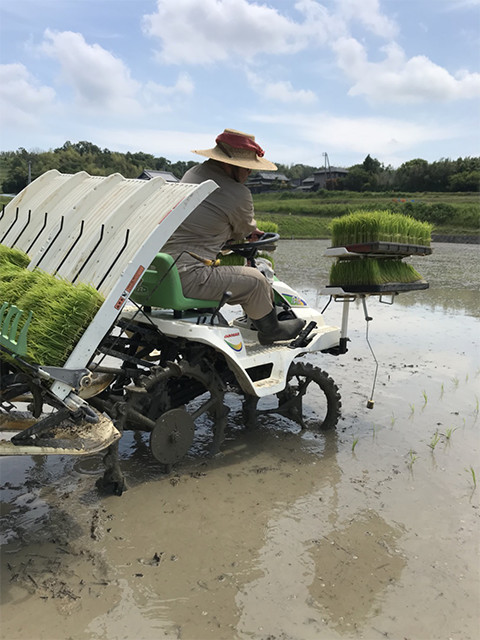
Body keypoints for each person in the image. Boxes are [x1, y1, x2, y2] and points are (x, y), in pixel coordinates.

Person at [161, 128, 305, 345]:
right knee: (256, 280)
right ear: (230, 164)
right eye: (248, 168)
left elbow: (207, 221)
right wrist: (248, 234)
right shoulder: (238, 193)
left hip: (164, 270)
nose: (249, 174)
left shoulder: (192, 174)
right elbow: (244, 231)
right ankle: (271, 330)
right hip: (189, 276)